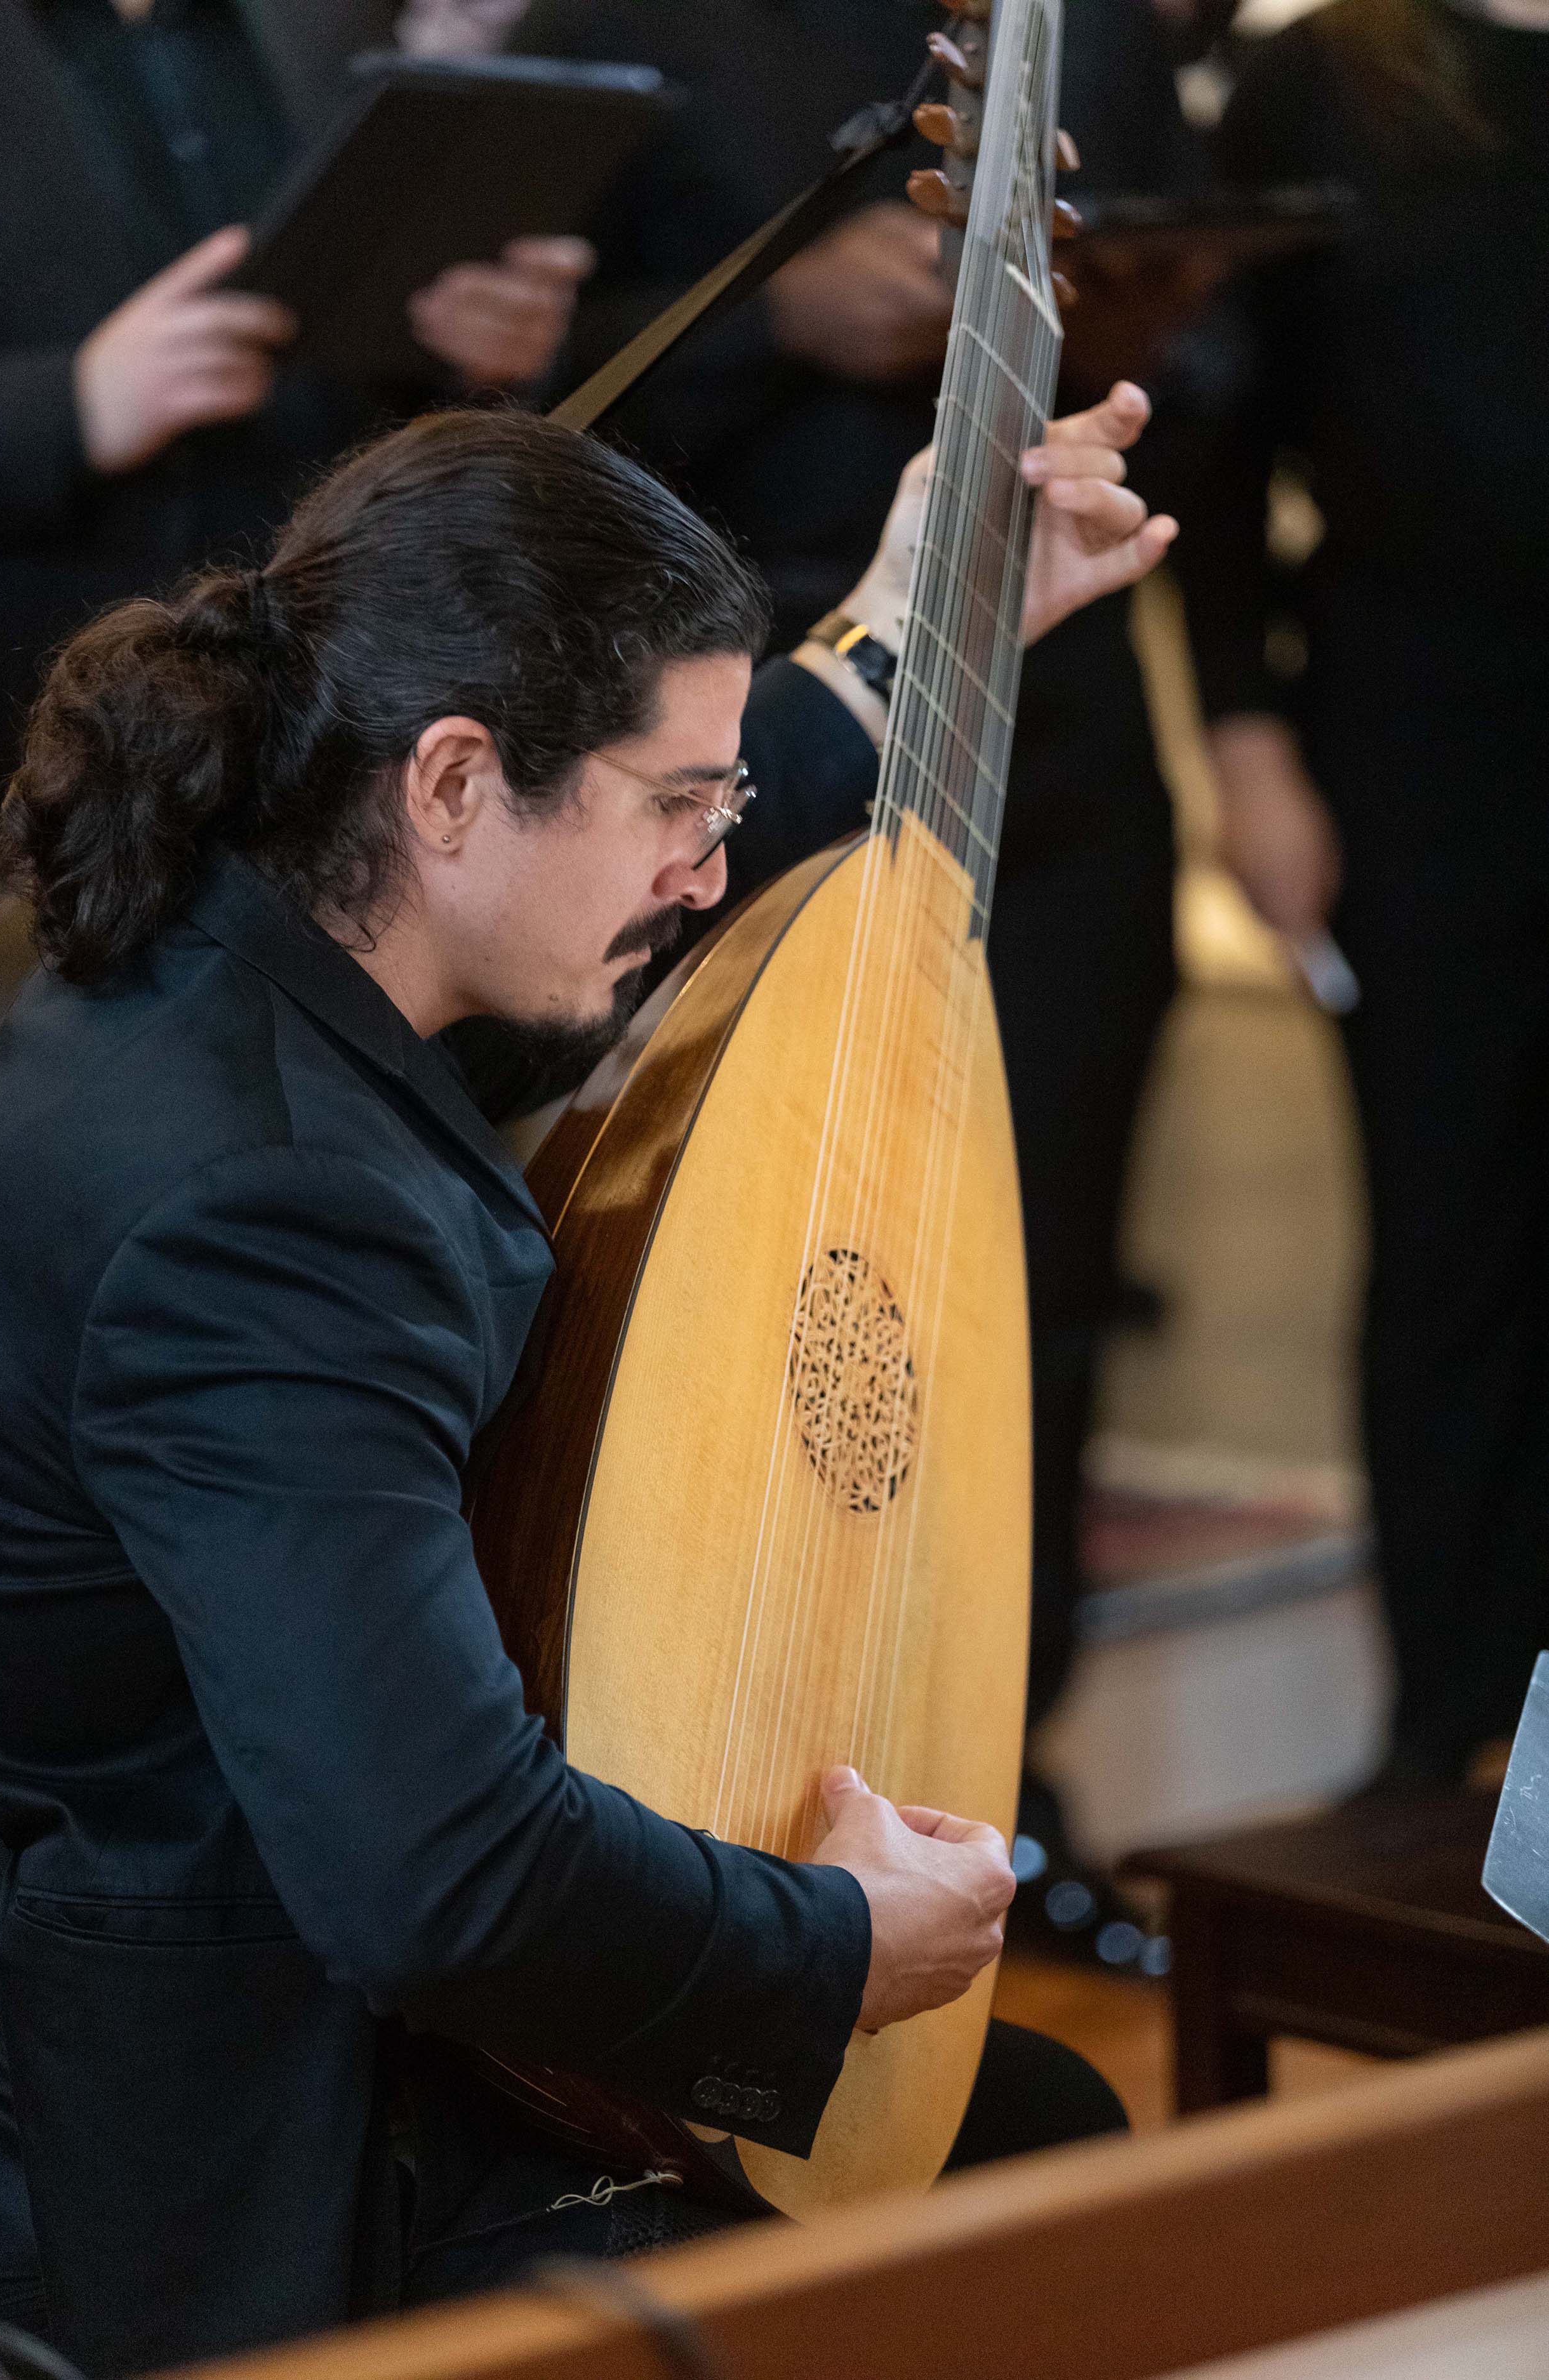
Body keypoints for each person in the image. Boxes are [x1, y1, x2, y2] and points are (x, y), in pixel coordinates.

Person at [0, 397, 1172, 2370]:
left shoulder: (157, 912)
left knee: (1032, 2126)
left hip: (181, 1941)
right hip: (204, 2134)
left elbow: (655, 781)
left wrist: (914, 630)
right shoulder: (262, 1216)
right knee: (1028, 2163)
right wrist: (842, 1946)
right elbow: (438, 1874)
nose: (710, 868)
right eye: (676, 806)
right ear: (452, 780)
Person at [510, 0, 1209, 1968]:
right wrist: (782, 326)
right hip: (714, 755)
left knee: (1016, 1295)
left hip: (1031, 724)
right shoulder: (620, 25)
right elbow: (505, 427)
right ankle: (681, 1783)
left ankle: (988, 1787)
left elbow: (1226, 377)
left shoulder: (1079, 28)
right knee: (721, 1309)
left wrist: (1130, 321)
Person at [1175, 0, 1549, 1788]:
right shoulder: (1322, 73)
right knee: (1450, 1238)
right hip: (1419, 725)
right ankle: (1446, 1738)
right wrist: (1246, 742)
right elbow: (1217, 441)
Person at [0, 0, 592, 907]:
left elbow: (388, 329)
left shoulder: (329, 23)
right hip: (34, 743)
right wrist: (73, 403)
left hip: (338, 707)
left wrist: (484, 350)